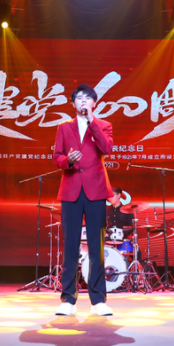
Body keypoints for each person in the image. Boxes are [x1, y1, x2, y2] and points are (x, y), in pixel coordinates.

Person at [54, 84, 114, 316]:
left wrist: (92, 122)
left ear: (94, 104)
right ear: (73, 103)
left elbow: (106, 148)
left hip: (95, 191)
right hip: (71, 190)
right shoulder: (64, 127)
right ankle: (68, 300)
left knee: (96, 247)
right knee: (70, 245)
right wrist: (67, 160)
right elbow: (57, 157)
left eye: (87, 98)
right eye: (79, 98)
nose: (83, 101)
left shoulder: (103, 125)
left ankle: (98, 300)